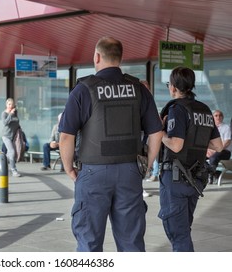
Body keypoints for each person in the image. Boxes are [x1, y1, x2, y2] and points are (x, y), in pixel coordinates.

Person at [58, 36, 163, 252]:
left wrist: (68, 168)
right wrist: (145, 165)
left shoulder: (83, 90)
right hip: (130, 172)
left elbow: (66, 136)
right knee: (131, 243)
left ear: (97, 56)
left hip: (93, 172)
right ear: (120, 58)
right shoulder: (138, 88)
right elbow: (156, 133)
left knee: (89, 243)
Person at [158, 66, 223, 252]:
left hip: (176, 178)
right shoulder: (204, 109)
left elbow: (176, 145)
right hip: (195, 179)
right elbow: (217, 145)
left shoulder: (177, 109)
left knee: (178, 235)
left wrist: (161, 132)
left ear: (173, 87)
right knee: (184, 230)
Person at [206, 110, 231, 184]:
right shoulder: (210, 128)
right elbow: (206, 142)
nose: (218, 117)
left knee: (213, 157)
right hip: (212, 151)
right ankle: (215, 173)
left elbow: (227, 142)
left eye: (220, 115)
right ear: (212, 117)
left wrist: (216, 150)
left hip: (225, 152)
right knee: (199, 157)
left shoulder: (226, 127)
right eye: (216, 115)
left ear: (222, 117)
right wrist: (207, 150)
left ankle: (210, 176)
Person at [2, 98, 21, 177]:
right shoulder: (4, 113)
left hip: (14, 136)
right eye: (9, 104)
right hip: (6, 135)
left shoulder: (15, 112)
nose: (10, 106)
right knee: (12, 152)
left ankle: (1, 163)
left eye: (12, 104)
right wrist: (10, 114)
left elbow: (16, 122)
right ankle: (14, 170)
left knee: (9, 154)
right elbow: (5, 123)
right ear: (6, 105)